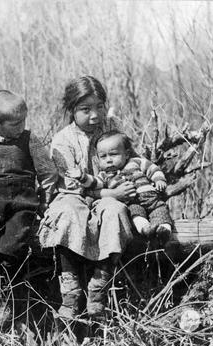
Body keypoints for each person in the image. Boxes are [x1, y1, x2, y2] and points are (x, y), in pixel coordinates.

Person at [38, 76, 135, 322]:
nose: (94, 115)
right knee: (68, 213)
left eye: (99, 107)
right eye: (85, 109)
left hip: (110, 191)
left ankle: (99, 287)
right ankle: (70, 289)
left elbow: (131, 159)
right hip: (75, 195)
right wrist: (108, 193)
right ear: (71, 110)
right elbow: (71, 185)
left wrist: (117, 191)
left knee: (114, 211)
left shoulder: (112, 126)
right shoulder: (64, 139)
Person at [0, 90, 58, 325]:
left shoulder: (29, 140)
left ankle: (9, 295)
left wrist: (45, 200)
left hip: (23, 199)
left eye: (24, 121)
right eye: (16, 123)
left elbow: (48, 172)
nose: (22, 126)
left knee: (14, 242)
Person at [72, 130, 172, 242]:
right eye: (103, 156)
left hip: (153, 200)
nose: (109, 160)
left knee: (161, 211)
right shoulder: (105, 175)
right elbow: (94, 183)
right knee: (136, 215)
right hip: (132, 203)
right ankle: (146, 229)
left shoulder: (136, 162)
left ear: (127, 154)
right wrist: (83, 177)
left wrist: (159, 180)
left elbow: (152, 169)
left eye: (113, 154)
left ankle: (164, 231)